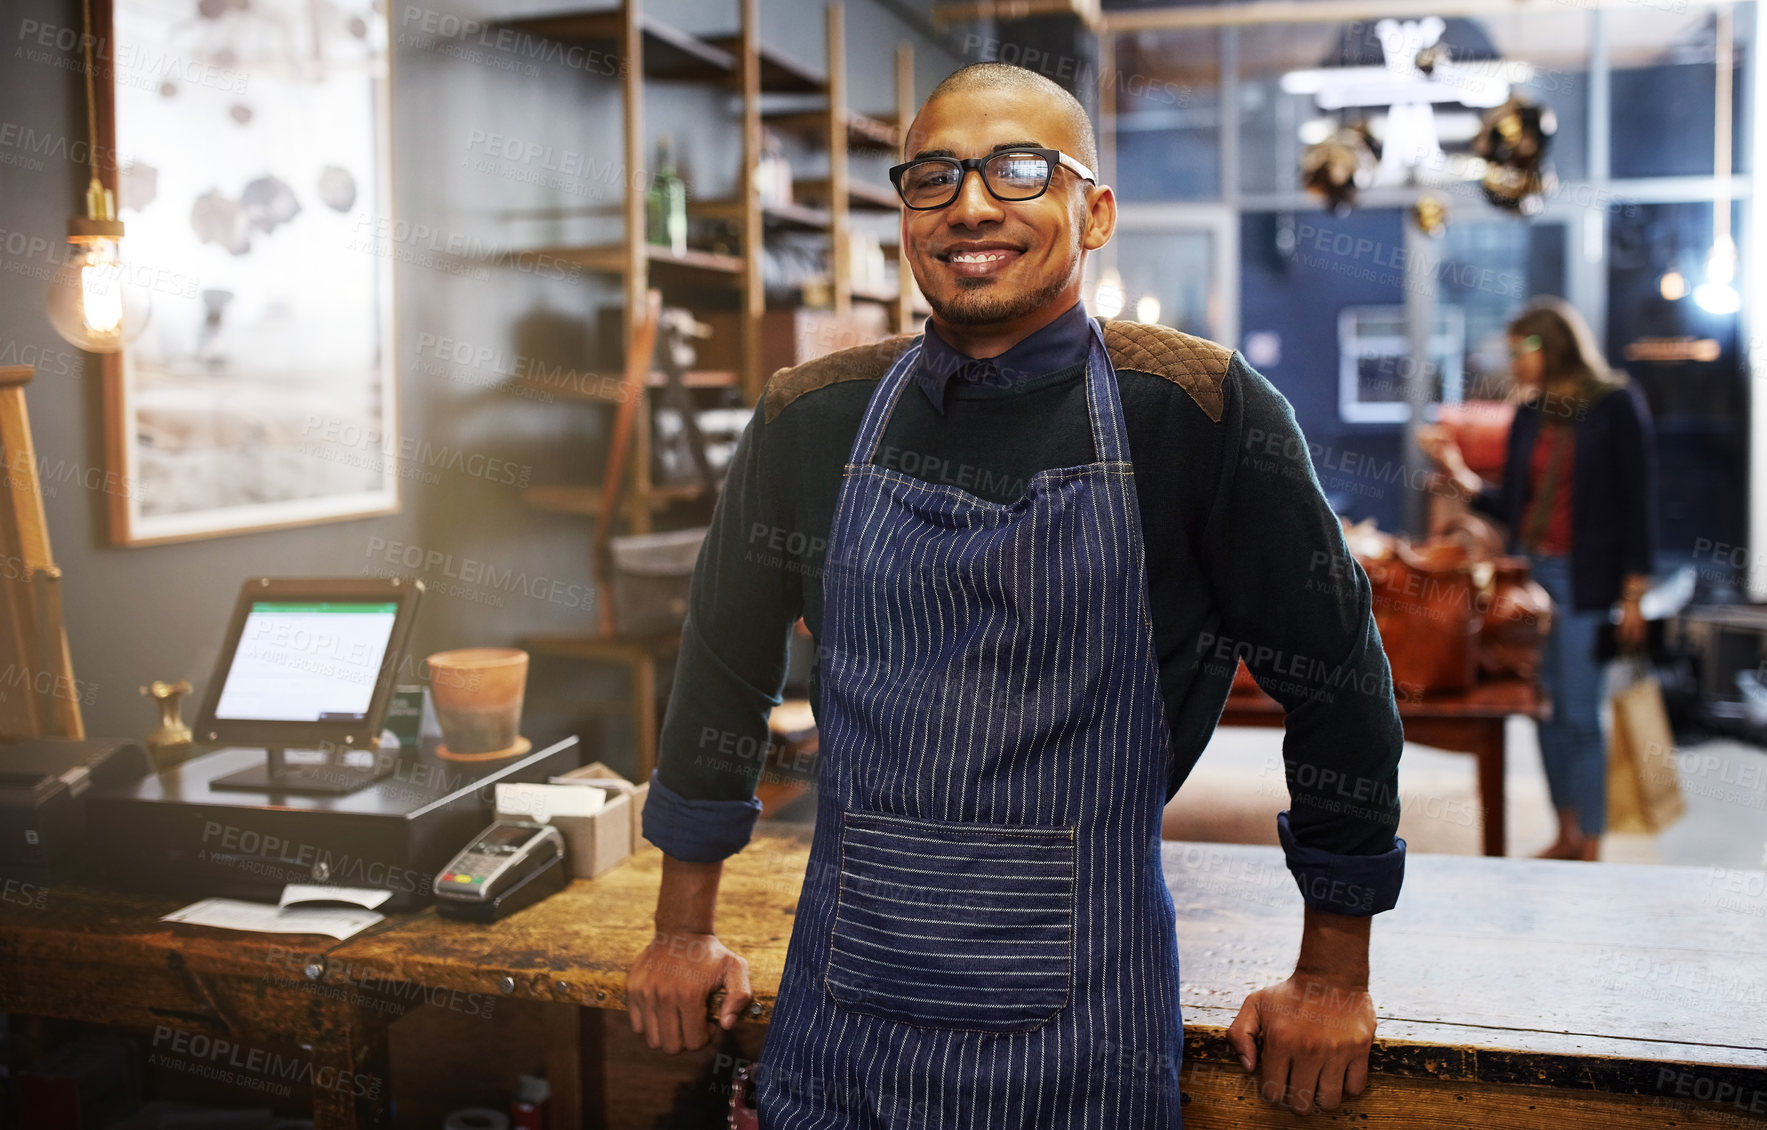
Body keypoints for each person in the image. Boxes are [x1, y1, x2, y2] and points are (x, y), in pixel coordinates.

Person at [627, 62, 1409, 1126]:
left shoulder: (1198, 410)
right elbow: (721, 667)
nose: (972, 205)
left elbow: (1340, 683)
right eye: (933, 176)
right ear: (905, 215)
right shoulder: (811, 415)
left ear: (1095, 212)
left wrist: (1331, 966)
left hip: (1083, 1031)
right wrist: (682, 926)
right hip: (845, 1010)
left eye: (1019, 169)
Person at [1420, 297, 1656, 862]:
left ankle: (1592, 841)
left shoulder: (1615, 405)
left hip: (1587, 578)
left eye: (1522, 350)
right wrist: (1458, 475)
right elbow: (1513, 507)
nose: (1516, 363)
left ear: (1553, 345)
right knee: (1542, 707)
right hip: (1532, 577)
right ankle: (1565, 831)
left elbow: (1638, 502)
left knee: (1580, 711)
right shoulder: (1528, 414)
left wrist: (1633, 594)